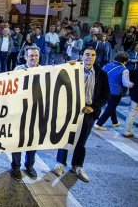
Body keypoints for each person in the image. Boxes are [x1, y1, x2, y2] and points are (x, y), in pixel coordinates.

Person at [53, 47, 110, 182]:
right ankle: (60, 163)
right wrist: (67, 66)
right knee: (66, 138)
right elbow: (56, 77)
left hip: (88, 113)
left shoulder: (102, 74)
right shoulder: (73, 69)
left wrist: (93, 107)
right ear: (81, 56)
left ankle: (77, 166)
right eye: (87, 54)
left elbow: (105, 95)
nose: (90, 57)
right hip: (71, 111)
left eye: (93, 55)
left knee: (81, 140)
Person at [11, 46, 41, 181]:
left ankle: (29, 166)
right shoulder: (18, 70)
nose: (33, 58)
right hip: (20, 111)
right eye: (31, 56)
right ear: (25, 57)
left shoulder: (45, 71)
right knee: (17, 139)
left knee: (32, 140)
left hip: (36, 111)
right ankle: (16, 167)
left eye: (36, 56)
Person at [95, 52, 134, 130]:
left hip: (105, 90)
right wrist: (132, 84)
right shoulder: (124, 70)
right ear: (125, 61)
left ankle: (115, 122)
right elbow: (126, 83)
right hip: (116, 92)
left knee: (112, 106)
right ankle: (99, 123)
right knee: (111, 107)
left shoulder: (107, 65)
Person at [124, 67, 138, 138]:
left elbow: (131, 84)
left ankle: (127, 131)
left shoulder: (134, 71)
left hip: (135, 95)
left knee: (132, 113)